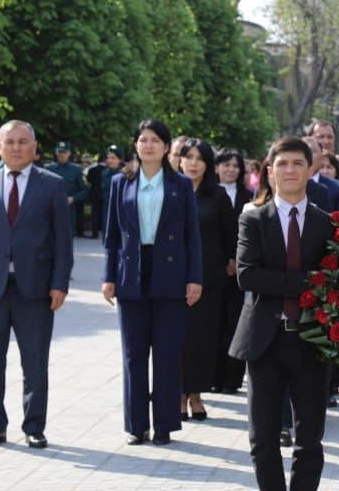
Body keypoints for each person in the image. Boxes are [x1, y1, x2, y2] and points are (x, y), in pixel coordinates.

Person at [229, 136, 335, 491]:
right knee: (263, 435)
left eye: (297, 163)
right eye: (282, 164)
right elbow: (247, 275)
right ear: (269, 171)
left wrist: (300, 285)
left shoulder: (327, 222)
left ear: (311, 169)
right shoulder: (253, 219)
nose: (290, 170)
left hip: (310, 341)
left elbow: (336, 280)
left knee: (310, 436)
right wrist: (308, 281)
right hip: (264, 341)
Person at [0, 120, 73, 448]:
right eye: (11, 142)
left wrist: (59, 283)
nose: (17, 147)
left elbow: (63, 240)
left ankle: (34, 426)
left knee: (34, 360)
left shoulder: (51, 185)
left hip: (35, 288)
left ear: (35, 149)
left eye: (24, 142)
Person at [102, 119, 204, 446]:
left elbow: (192, 236)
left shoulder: (180, 185)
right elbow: (112, 236)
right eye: (143, 140)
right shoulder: (121, 182)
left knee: (166, 353)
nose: (148, 145)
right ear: (135, 145)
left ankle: (164, 424)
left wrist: (194, 278)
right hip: (131, 273)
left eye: (155, 140)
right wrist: (108, 276)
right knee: (133, 355)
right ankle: (136, 425)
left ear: (165, 146)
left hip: (171, 275)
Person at [177, 139, 237, 422]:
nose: (192, 163)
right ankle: (178, 394)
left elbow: (230, 236)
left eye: (199, 158)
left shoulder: (218, 196)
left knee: (202, 339)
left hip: (209, 278)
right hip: (173, 276)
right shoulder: (170, 191)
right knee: (178, 338)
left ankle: (196, 395)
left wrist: (231, 262)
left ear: (208, 164)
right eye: (188, 156)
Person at [213, 148, 253, 394]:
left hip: (240, 268)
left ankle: (232, 378)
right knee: (215, 323)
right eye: (226, 165)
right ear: (216, 167)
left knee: (235, 322)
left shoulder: (249, 197)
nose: (230, 170)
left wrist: (236, 260)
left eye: (235, 166)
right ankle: (214, 376)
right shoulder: (210, 194)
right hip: (215, 268)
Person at [46, 141, 89, 237]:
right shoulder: (48, 169)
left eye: (64, 152)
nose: (62, 155)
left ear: (69, 153)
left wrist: (73, 198)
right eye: (60, 152)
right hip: (51, 209)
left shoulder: (76, 169)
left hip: (68, 211)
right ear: (56, 152)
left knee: (67, 240)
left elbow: (85, 190)